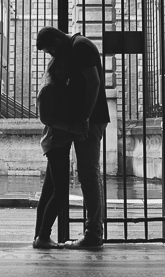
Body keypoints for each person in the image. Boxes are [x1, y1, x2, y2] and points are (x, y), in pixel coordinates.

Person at [36, 26, 110, 250]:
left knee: (88, 176)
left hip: (89, 121)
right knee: (84, 177)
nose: (53, 57)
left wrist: (85, 118)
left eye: (51, 51)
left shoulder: (80, 48)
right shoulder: (77, 47)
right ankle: (42, 236)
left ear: (57, 42)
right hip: (82, 123)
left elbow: (94, 82)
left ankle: (93, 234)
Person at [32, 63, 77, 249]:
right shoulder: (49, 89)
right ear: (53, 69)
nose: (64, 70)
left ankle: (39, 236)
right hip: (55, 143)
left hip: (58, 143)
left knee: (48, 193)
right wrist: (70, 128)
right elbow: (46, 118)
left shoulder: (57, 87)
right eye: (61, 67)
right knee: (60, 192)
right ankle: (43, 236)